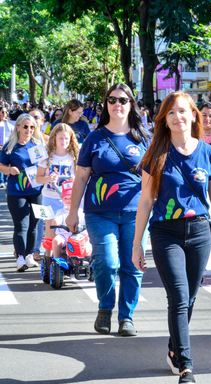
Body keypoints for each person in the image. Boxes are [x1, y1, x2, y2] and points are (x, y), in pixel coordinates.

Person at [133, 92, 211, 384]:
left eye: (183, 111)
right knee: (178, 297)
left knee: (190, 298)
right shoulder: (155, 153)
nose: (177, 117)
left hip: (199, 232)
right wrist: (137, 245)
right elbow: (146, 201)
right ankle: (186, 366)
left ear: (194, 115)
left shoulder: (208, 153)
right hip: (165, 233)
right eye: (171, 113)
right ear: (164, 120)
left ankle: (172, 348)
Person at [67, 84, 149, 336]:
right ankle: (105, 308)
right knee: (107, 262)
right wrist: (73, 212)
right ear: (106, 104)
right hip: (99, 213)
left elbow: (154, 177)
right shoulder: (95, 137)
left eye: (123, 100)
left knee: (132, 265)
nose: (117, 104)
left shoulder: (144, 138)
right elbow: (81, 177)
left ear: (131, 104)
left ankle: (127, 317)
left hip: (136, 213)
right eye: (111, 100)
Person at [0, 113, 44, 271]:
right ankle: (20, 258)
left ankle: (29, 255)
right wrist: (9, 169)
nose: (29, 130)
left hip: (36, 190)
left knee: (34, 224)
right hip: (16, 191)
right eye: (25, 126)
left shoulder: (37, 145)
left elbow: (44, 165)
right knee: (21, 225)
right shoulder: (10, 146)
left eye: (32, 127)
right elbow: (1, 166)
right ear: (18, 127)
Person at [34, 123, 80, 259]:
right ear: (54, 138)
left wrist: (73, 179)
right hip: (49, 197)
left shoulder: (73, 157)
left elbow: (79, 178)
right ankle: (48, 258)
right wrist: (48, 178)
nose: (64, 142)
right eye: (61, 138)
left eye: (67, 139)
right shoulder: (47, 157)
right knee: (50, 229)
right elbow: (38, 178)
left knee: (68, 228)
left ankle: (67, 255)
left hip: (68, 199)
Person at [0, 106, 13, 189]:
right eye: (2, 112)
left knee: (6, 163)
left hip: (7, 146)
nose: (4, 114)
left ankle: (5, 180)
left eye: (5, 112)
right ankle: (1, 180)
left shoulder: (8, 123)